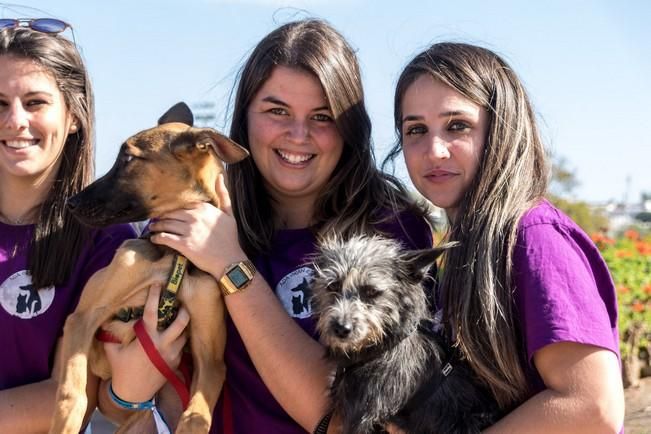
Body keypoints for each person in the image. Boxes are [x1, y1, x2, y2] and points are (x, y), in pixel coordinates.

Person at [136, 19, 433, 433]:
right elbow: (151, 388)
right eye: (277, 111)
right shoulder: (203, 223)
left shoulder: (392, 234)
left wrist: (232, 267)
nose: (298, 135)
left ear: (349, 129)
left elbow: (339, 419)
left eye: (322, 116)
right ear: (245, 118)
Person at [384, 42, 625, 433]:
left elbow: (591, 406)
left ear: (500, 130)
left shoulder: (533, 238)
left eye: (457, 125)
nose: (435, 150)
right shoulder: (468, 248)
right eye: (415, 130)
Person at [0, 22, 135, 432]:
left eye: (35, 102)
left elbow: (70, 395)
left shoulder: (110, 243)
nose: (15, 121)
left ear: (73, 115)